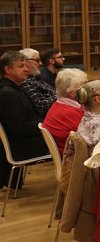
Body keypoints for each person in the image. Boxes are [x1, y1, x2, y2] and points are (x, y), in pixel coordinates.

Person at [0, 51, 48, 188]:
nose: (27, 69)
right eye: (21, 66)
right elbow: (19, 127)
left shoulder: (15, 89)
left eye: (26, 65)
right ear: (8, 69)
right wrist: (45, 124)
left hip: (26, 140)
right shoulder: (7, 94)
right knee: (71, 142)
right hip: (22, 146)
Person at [42, 67, 88, 155]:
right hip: (74, 158)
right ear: (72, 93)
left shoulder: (60, 104)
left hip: (69, 151)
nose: (88, 88)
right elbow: (92, 137)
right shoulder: (69, 112)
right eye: (84, 85)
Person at [19, 48, 57, 118]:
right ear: (26, 61)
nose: (40, 63)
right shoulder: (25, 82)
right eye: (37, 60)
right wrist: (60, 96)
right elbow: (40, 106)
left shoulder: (36, 77)